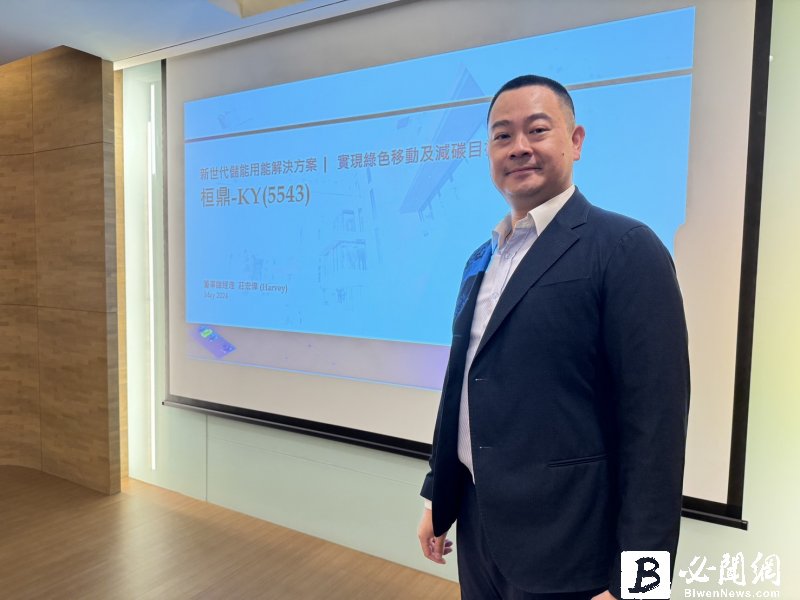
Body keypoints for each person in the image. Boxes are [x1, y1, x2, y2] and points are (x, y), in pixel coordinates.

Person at [416, 74, 690, 600]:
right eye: (502, 135)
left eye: (537, 130)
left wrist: (641, 587)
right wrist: (439, 496)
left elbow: (657, 429)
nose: (518, 147)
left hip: (573, 549)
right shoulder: (481, 259)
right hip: (480, 533)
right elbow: (460, 390)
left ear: (575, 141)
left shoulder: (626, 248)